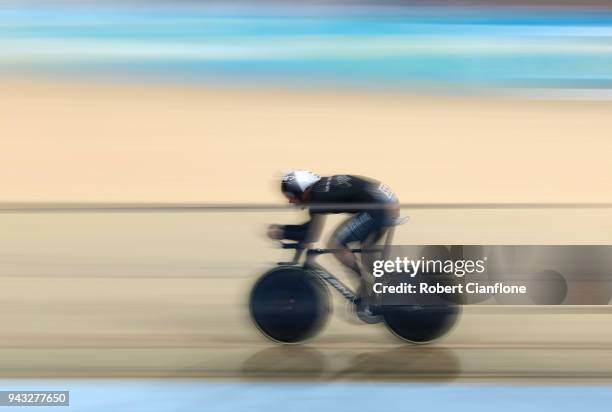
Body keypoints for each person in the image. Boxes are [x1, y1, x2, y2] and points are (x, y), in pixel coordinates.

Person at [267, 170, 399, 321]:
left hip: (379, 207)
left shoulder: (319, 197)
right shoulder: (319, 190)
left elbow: (310, 234)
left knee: (336, 244)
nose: (291, 201)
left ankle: (367, 290)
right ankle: (387, 289)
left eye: (292, 196)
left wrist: (282, 231)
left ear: (305, 190)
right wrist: (288, 235)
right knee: (367, 253)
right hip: (386, 203)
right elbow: (309, 235)